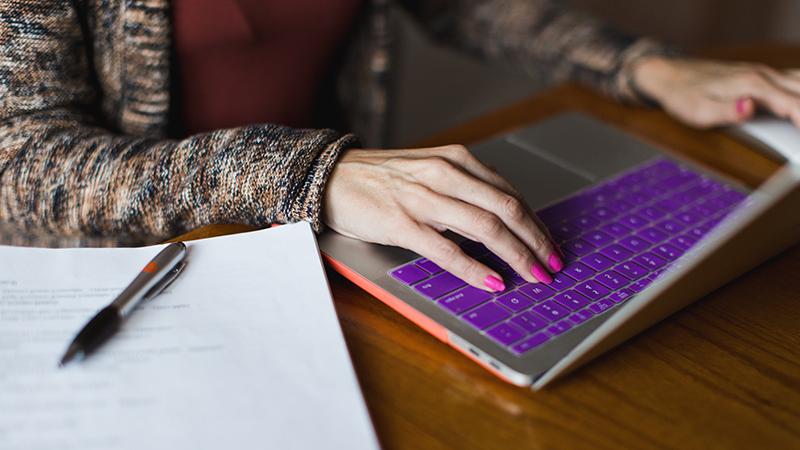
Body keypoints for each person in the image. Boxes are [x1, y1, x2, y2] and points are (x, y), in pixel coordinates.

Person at [1, 0, 799, 293]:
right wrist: (307, 171)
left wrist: (645, 67)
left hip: (330, 240)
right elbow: (20, 166)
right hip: (133, 269)